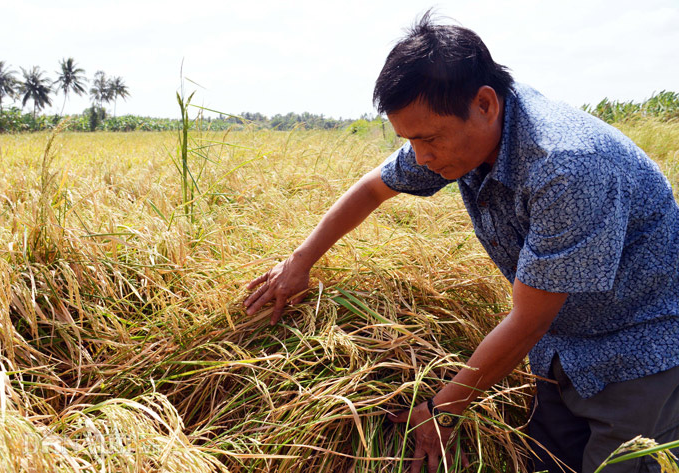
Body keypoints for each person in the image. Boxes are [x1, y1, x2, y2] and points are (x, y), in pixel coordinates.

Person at [244, 12, 679, 473]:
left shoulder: (566, 166)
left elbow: (528, 319)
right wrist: (300, 261)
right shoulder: (462, 135)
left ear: (485, 104)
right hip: (563, 350)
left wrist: (443, 409)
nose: (420, 156)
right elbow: (374, 187)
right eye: (409, 139)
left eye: (428, 138)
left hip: (641, 352)